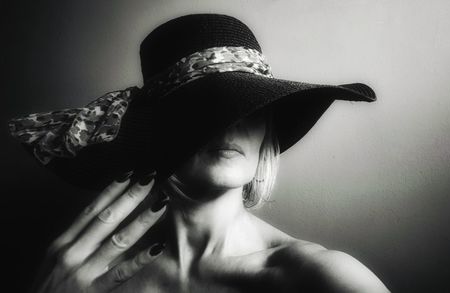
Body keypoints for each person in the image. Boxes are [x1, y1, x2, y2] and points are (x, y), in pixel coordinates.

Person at [10, 14, 389, 292]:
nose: (229, 124)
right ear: (156, 132)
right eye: (204, 110)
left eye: (248, 107)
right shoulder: (88, 279)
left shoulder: (322, 279)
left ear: (267, 128)